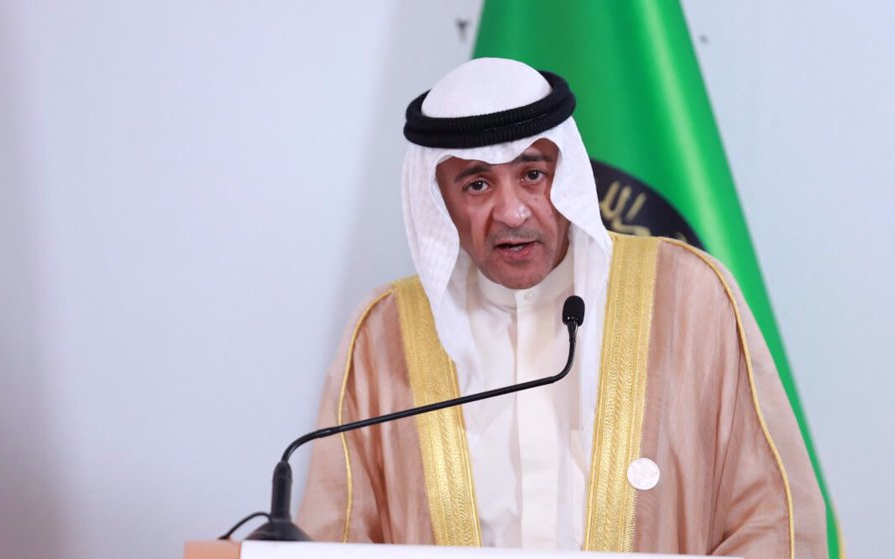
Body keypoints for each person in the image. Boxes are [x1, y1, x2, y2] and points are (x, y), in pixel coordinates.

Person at [297, 58, 826, 558]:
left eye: (533, 175)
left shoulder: (690, 295)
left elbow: (772, 520)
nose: (511, 212)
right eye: (477, 184)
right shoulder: (386, 333)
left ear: (568, 175)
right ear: (439, 202)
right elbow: (337, 536)